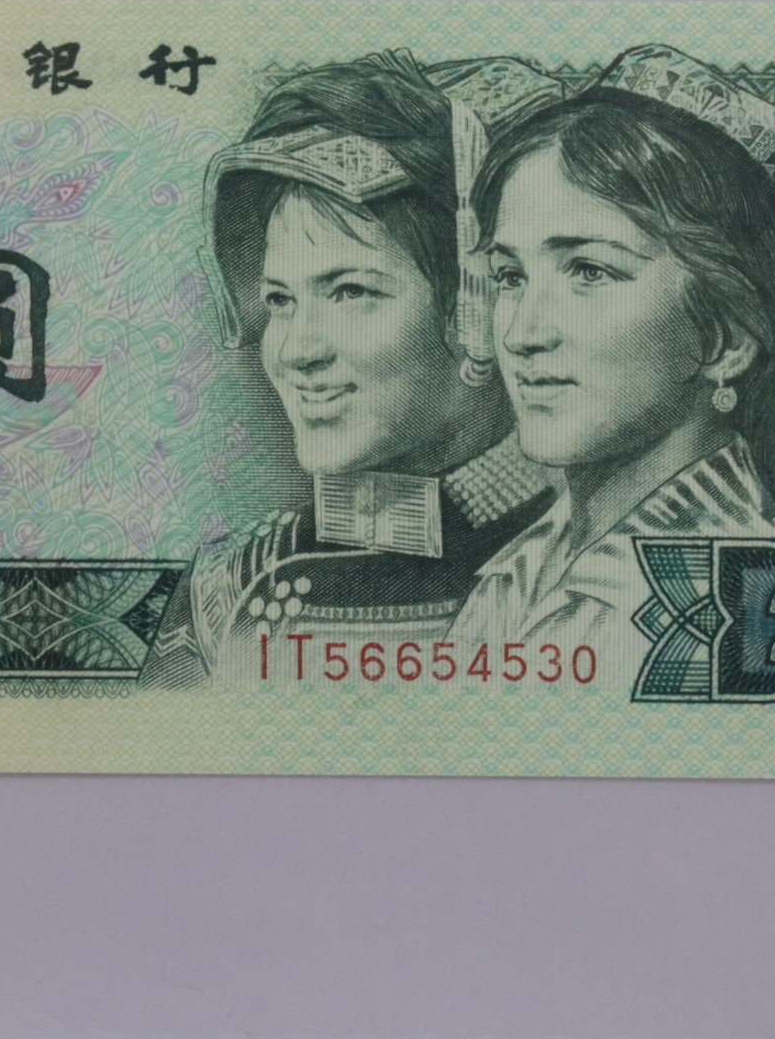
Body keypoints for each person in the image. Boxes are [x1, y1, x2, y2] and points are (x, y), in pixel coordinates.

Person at [140, 51, 558, 688]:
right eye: (280, 301)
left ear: (478, 304)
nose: (296, 351)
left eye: (349, 292)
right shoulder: (227, 589)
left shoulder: (593, 566)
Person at [446, 44, 775, 696]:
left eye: (588, 271)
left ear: (725, 337)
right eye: (510, 276)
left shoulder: (755, 609)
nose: (522, 334)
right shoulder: (518, 572)